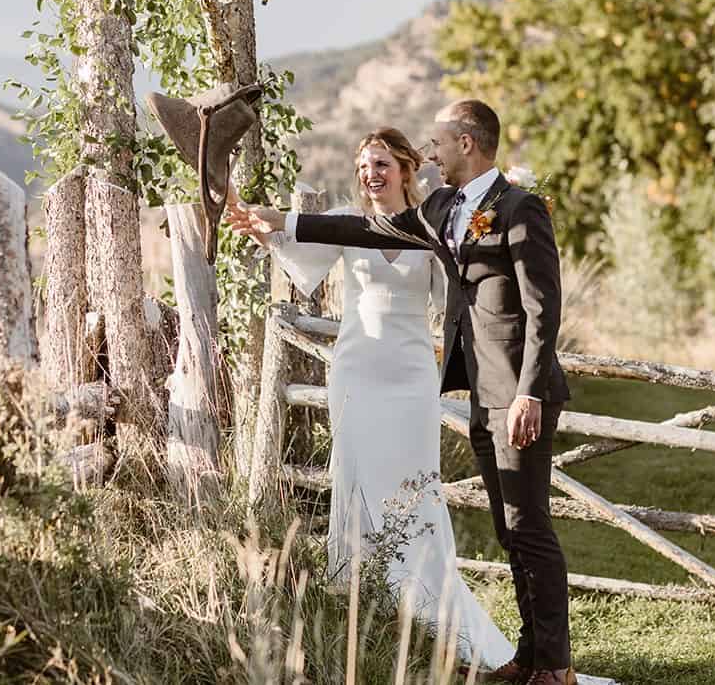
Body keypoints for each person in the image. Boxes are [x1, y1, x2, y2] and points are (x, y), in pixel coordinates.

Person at [230, 100, 575, 685]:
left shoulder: (520, 209)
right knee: (508, 529)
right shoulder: (444, 209)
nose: (431, 152)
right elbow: (359, 227)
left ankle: (557, 667)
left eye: (437, 143)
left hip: (516, 394)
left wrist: (530, 392)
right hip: (480, 392)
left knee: (529, 527)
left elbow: (544, 309)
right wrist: (280, 222)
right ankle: (529, 657)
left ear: (466, 143)